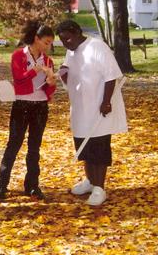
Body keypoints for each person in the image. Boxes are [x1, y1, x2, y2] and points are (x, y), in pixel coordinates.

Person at [56, 20, 127, 206]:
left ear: (78, 32)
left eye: (68, 38)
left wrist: (106, 101)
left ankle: (99, 188)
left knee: (98, 148)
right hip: (80, 109)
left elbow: (111, 75)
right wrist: (63, 74)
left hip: (98, 108)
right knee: (84, 147)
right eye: (62, 40)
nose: (66, 43)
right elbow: (70, 73)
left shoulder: (97, 47)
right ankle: (90, 181)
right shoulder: (71, 51)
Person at [0, 21, 56, 200]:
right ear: (36, 39)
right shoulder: (19, 55)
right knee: (14, 144)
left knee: (34, 147)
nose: (48, 46)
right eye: (46, 42)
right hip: (21, 104)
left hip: (40, 105)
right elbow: (19, 80)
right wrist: (35, 70)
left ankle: (32, 185)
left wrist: (51, 83)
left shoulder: (48, 61)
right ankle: (2, 183)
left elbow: (49, 91)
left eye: (50, 43)